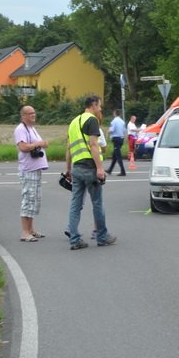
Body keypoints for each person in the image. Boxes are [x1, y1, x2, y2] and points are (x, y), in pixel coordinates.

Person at [65, 95, 116, 250]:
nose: (100, 109)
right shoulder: (92, 120)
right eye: (99, 106)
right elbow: (94, 145)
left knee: (75, 204)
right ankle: (101, 236)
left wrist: (68, 169)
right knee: (97, 203)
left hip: (77, 167)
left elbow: (68, 148)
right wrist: (100, 168)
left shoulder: (74, 123)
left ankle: (74, 239)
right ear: (93, 105)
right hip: (90, 167)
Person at [14, 105, 49, 241]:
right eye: (30, 113)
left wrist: (40, 144)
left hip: (35, 169)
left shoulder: (31, 128)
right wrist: (38, 143)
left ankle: (31, 229)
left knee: (34, 200)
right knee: (28, 199)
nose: (33, 115)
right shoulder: (20, 129)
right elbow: (23, 147)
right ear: (23, 116)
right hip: (28, 170)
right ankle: (24, 232)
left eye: (34, 112)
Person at [106, 109, 126, 176]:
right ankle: (110, 170)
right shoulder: (122, 122)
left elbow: (111, 130)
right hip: (121, 139)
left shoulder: (114, 121)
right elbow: (124, 131)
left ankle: (123, 171)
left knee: (118, 155)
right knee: (115, 155)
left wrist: (107, 132)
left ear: (115, 113)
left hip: (116, 139)